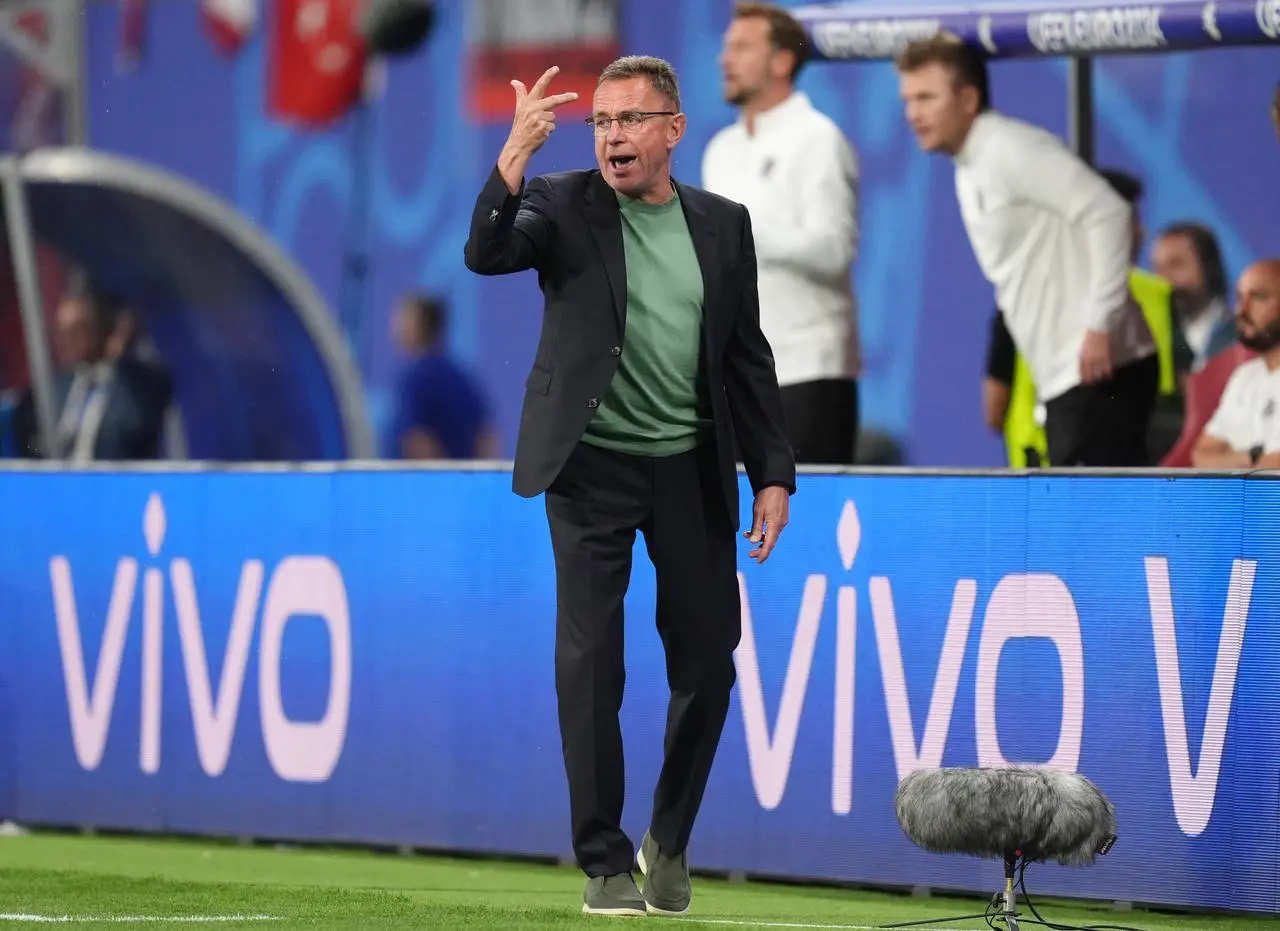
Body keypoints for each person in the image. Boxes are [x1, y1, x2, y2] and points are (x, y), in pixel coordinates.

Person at [462, 58, 796, 918]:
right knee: (591, 662)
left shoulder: (724, 225)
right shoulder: (561, 203)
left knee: (709, 660)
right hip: (591, 464)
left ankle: (669, 839)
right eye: (601, 122)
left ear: (674, 130)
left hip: (690, 466)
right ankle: (604, 861)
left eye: (631, 120)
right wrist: (514, 157)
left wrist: (772, 474)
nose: (612, 135)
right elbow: (487, 252)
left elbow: (746, 357)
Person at [896, 34, 1158, 467]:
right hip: (1065, 378)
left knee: (1091, 529)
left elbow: (1110, 212)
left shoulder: (1010, 148)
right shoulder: (969, 164)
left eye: (926, 97)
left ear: (968, 98)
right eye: (908, 100)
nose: (913, 114)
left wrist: (1099, 323)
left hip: (1101, 370)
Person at [702, 1, 861, 464]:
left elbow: (835, 249)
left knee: (805, 526)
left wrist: (741, 231)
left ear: (782, 61)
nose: (723, 58)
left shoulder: (818, 139)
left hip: (808, 370)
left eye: (741, 47)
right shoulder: (721, 149)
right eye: (726, 47)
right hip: (735, 375)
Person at [386, 292, 499, 459]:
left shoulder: (415, 380)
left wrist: (442, 479)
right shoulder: (462, 379)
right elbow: (486, 438)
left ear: (419, 326)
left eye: (404, 319)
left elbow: (417, 442)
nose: (396, 327)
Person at [1192, 260, 1280, 469]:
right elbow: (1201, 456)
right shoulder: (1245, 376)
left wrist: (1233, 459)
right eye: (1240, 297)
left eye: (1259, 297)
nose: (1242, 310)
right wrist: (1254, 457)